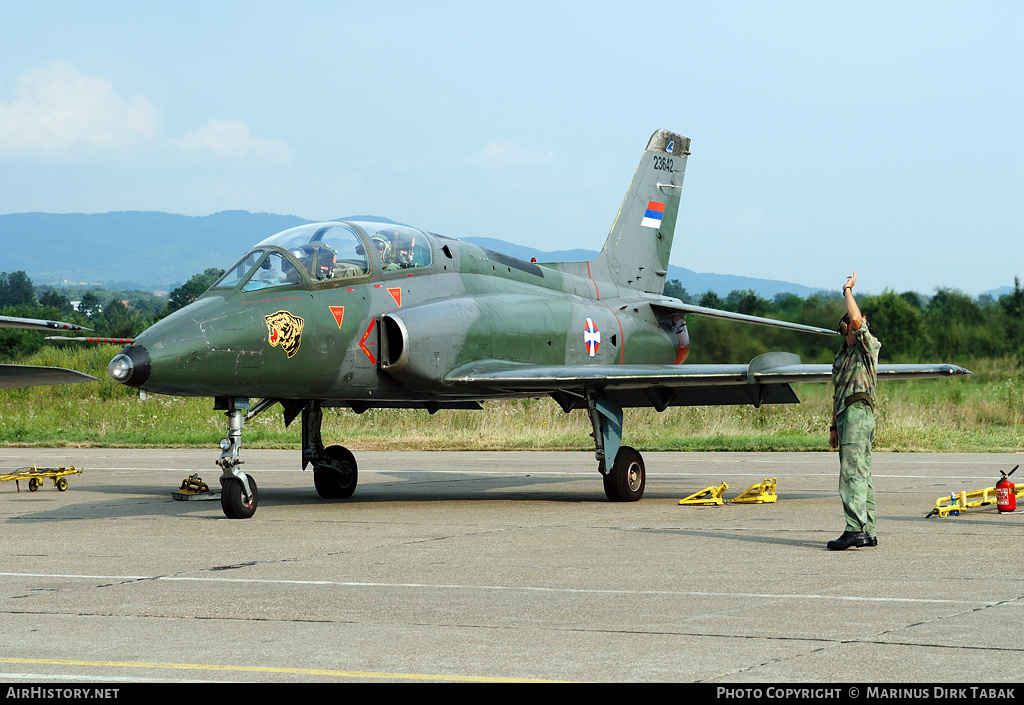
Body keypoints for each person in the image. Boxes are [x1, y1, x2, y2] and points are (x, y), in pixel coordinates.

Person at [827, 271, 881, 550]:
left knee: (851, 473)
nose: (850, 325)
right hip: (846, 416)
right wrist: (834, 427)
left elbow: (858, 320)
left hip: (859, 412)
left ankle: (854, 529)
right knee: (861, 472)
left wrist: (847, 291)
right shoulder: (842, 357)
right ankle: (868, 530)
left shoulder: (867, 348)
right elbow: (837, 393)